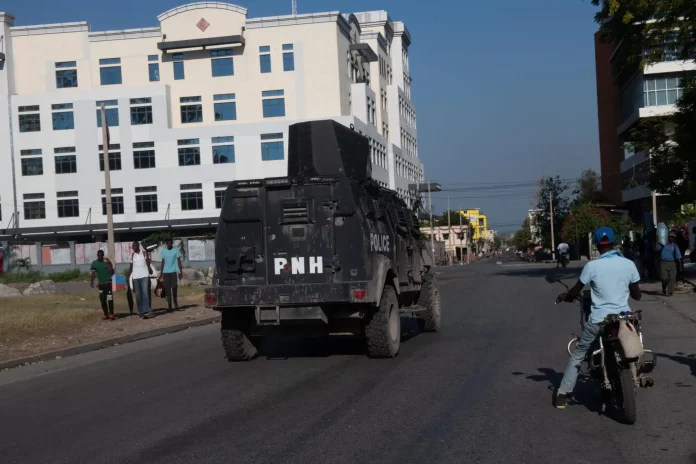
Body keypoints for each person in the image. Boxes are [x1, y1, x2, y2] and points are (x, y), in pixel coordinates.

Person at [554, 227, 641, 409]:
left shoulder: (592, 266)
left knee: (579, 354)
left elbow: (576, 291)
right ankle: (637, 369)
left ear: (595, 243)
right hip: (623, 317)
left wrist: (566, 296)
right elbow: (637, 295)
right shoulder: (628, 264)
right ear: (613, 241)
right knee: (635, 339)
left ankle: (563, 394)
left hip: (599, 319)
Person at [90, 250, 115, 320]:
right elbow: (93, 274)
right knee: (102, 300)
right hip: (101, 285)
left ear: (103, 255)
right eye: (99, 255)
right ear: (97, 255)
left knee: (110, 299)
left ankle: (111, 314)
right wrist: (92, 281)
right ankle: (105, 314)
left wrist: (109, 263)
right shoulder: (94, 263)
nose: (100, 256)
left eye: (101, 255)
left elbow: (111, 272)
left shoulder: (106, 262)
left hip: (108, 283)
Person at [129, 241, 152, 318]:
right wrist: (129, 277)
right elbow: (131, 267)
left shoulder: (144, 253)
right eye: (133, 246)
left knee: (145, 293)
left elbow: (148, 263)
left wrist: (149, 267)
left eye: (135, 246)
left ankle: (146, 311)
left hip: (144, 275)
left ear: (138, 246)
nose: (134, 248)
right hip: (136, 277)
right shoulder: (132, 255)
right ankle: (140, 310)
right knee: (138, 295)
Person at [657, 231, 683, 296]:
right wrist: (657, 241)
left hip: (672, 264)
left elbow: (678, 256)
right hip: (664, 263)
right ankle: (664, 287)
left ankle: (670, 291)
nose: (672, 238)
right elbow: (656, 249)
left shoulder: (674, 246)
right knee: (664, 278)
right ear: (667, 237)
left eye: (673, 237)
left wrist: (680, 266)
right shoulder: (662, 244)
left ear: (674, 239)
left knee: (672, 278)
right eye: (670, 236)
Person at [160, 239, 184, 311]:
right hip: (166, 272)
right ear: (166, 244)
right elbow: (163, 262)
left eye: (170, 243)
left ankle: (175, 301)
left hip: (173, 271)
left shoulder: (176, 250)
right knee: (167, 289)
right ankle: (169, 304)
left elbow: (179, 261)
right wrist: (161, 273)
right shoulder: (163, 251)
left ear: (172, 243)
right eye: (168, 243)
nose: (169, 244)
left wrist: (180, 272)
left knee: (174, 286)